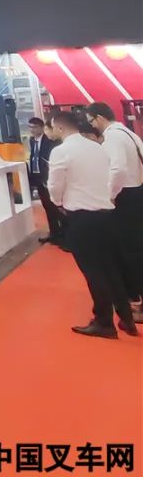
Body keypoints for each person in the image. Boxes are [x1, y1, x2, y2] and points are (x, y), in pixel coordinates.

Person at [48, 112, 137, 339]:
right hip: (106, 214)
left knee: (93, 271)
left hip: (82, 217)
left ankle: (104, 322)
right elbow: (115, 174)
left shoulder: (61, 151)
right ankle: (126, 317)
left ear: (59, 128)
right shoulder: (97, 147)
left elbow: (54, 186)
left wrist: (58, 202)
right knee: (111, 268)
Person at [85, 102, 143, 318]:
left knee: (130, 251)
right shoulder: (128, 133)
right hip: (136, 192)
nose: (92, 126)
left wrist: (108, 195)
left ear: (99, 118)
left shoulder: (113, 137)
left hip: (125, 197)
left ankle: (138, 301)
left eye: (91, 121)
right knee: (134, 248)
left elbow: (117, 169)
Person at [27, 117, 65, 246]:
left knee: (55, 207)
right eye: (30, 127)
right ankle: (54, 233)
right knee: (47, 207)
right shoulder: (32, 141)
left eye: (34, 127)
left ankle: (63, 234)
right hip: (37, 178)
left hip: (48, 177)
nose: (32, 130)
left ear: (41, 127)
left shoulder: (49, 141)